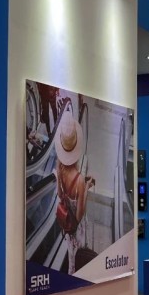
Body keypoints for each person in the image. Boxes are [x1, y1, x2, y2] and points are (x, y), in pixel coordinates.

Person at [52, 110, 95, 275]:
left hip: (66, 224)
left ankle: (70, 269)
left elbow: (60, 194)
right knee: (80, 254)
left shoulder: (60, 168)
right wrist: (86, 188)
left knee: (71, 252)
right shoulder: (79, 180)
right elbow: (79, 216)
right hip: (76, 227)